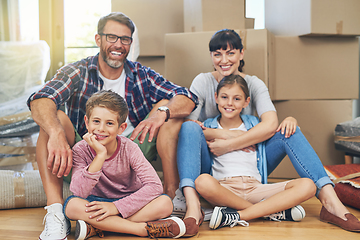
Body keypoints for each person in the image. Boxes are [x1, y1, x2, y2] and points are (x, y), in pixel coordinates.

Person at [27, 12, 198, 240]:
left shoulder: (141, 75)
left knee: (170, 110)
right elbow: (40, 98)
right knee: (52, 118)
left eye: (125, 39)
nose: (118, 44)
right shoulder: (78, 71)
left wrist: (161, 113)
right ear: (98, 39)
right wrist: (57, 132)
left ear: (130, 43)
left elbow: (186, 97)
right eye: (111, 37)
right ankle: (56, 213)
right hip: (87, 151)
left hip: (133, 145)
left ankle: (170, 195)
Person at [176, 29, 360, 235]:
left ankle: (331, 203)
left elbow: (271, 124)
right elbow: (192, 129)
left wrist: (231, 142)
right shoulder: (202, 82)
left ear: (241, 54)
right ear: (216, 96)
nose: (224, 60)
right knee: (189, 129)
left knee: (291, 130)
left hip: (252, 168)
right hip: (214, 164)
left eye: (230, 53)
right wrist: (221, 135)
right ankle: (197, 209)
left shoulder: (253, 86)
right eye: (217, 54)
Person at [194, 74, 316, 230]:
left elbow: (274, 129)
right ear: (216, 98)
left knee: (308, 185)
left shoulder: (255, 126)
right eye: (224, 97)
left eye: (237, 99)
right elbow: (195, 134)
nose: (229, 103)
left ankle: (238, 215)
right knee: (202, 182)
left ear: (247, 102)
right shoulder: (208, 125)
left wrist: (291, 119)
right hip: (225, 188)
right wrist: (221, 133)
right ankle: (270, 212)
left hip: (256, 188)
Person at [64, 90, 185, 239]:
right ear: (87, 122)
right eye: (96, 121)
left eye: (109, 123)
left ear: (121, 128)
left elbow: (154, 186)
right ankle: (140, 229)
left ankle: (101, 226)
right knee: (71, 206)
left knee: (165, 203)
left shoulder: (129, 148)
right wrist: (100, 156)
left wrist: (116, 207)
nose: (101, 129)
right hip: (98, 204)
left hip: (132, 201)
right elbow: (79, 191)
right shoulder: (80, 149)